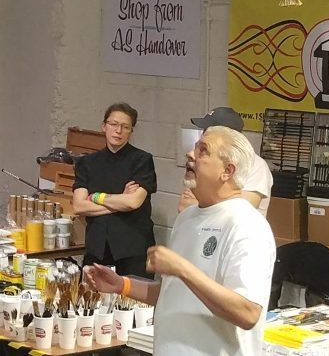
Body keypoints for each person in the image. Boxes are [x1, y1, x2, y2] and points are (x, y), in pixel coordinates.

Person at [84, 126, 277, 356]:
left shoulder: (246, 224)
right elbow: (173, 293)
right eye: (195, 147)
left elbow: (248, 313)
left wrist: (182, 268)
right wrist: (122, 285)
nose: (191, 155)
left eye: (203, 151)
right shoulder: (187, 217)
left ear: (227, 171)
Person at [72, 102, 157, 277]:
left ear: (131, 131)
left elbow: (133, 202)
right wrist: (120, 200)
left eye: (125, 127)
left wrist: (95, 197)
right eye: (114, 124)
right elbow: (79, 207)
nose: (118, 131)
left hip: (132, 249)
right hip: (97, 247)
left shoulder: (142, 161)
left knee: (133, 303)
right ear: (104, 126)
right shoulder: (87, 163)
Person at [178, 107, 273, 216]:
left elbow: (243, 211)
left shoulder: (256, 164)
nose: (204, 133)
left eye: (209, 129)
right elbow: (184, 206)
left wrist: (200, 205)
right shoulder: (203, 159)